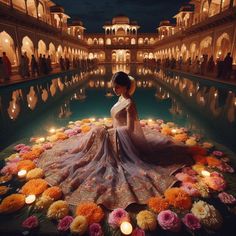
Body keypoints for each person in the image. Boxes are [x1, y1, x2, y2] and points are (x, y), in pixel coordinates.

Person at [37, 71, 193, 210]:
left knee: (99, 140)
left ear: (125, 87)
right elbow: (116, 119)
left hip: (123, 141)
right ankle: (82, 150)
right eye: (114, 86)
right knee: (94, 134)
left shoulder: (130, 104)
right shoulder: (120, 98)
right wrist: (108, 127)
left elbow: (130, 129)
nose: (114, 89)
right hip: (115, 134)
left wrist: (111, 132)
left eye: (117, 87)